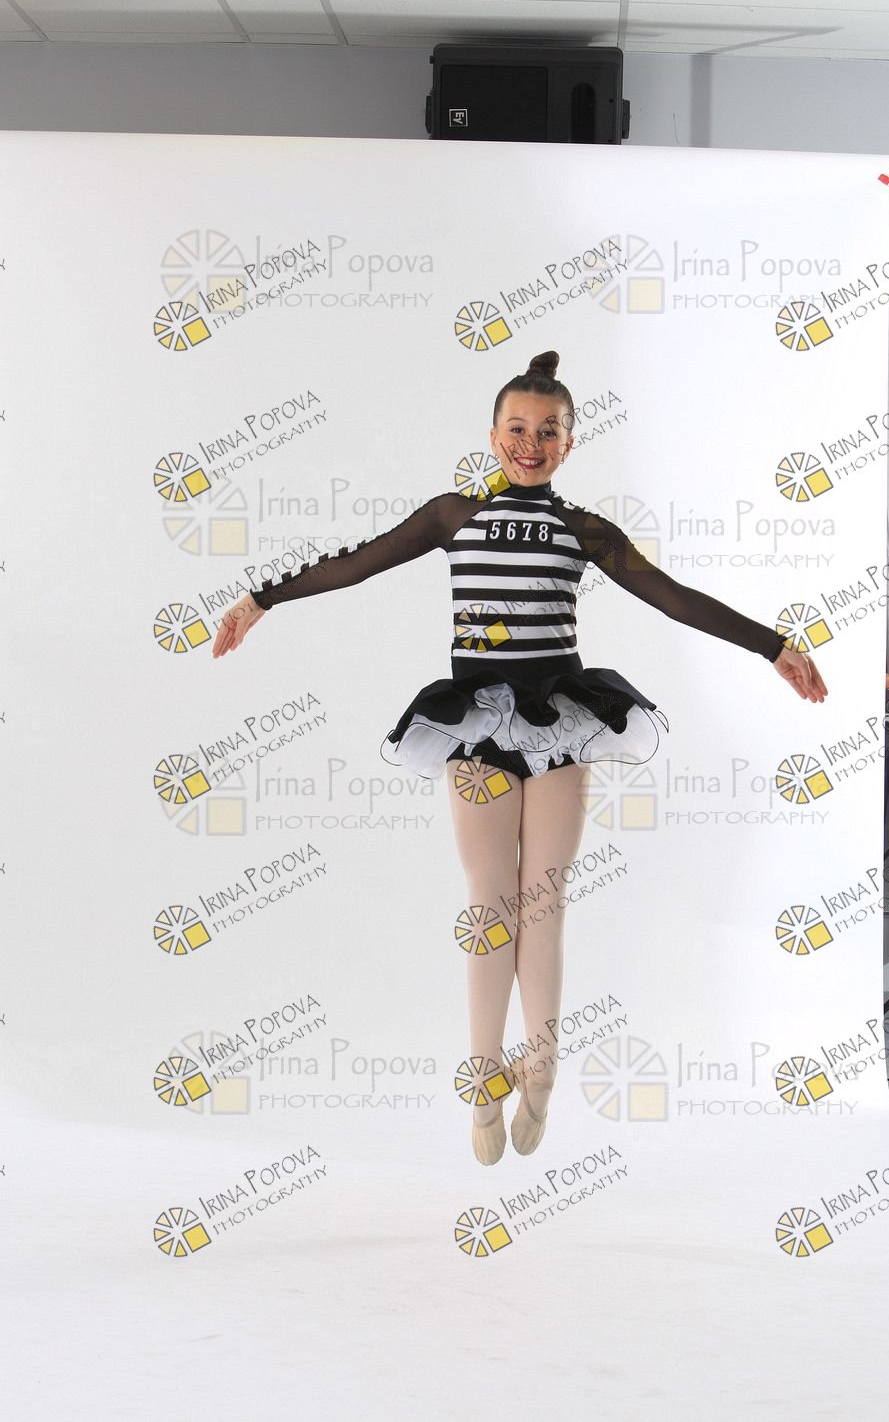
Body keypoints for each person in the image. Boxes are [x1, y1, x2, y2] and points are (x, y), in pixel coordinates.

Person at [212, 350, 827, 1166]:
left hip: (560, 720)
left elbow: (673, 597)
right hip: (475, 722)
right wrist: (262, 598)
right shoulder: (451, 516)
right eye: (517, 428)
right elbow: (356, 562)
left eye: (548, 431)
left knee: (544, 901)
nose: (530, 444)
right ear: (492, 434)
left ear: (569, 443)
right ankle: (482, 1074)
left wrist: (773, 645)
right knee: (489, 901)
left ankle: (541, 1062)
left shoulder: (583, 530)